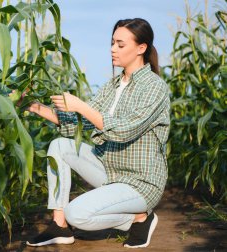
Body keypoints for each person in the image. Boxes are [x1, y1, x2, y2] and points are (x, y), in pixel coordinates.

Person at [22, 18, 170, 248]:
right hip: (110, 170)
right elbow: (78, 123)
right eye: (112, 43)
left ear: (141, 48)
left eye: (120, 45)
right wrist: (33, 106)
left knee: (77, 214)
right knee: (60, 145)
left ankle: (139, 217)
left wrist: (81, 105)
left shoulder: (155, 87)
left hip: (140, 182)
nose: (112, 49)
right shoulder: (112, 86)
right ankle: (59, 225)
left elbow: (123, 131)